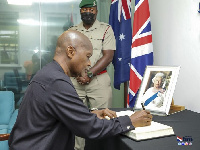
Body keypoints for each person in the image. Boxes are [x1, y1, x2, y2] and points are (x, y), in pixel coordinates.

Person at [8, 30, 152, 150]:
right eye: (88, 56)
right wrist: (130, 120)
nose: (89, 63)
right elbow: (90, 129)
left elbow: (58, 112)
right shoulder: (56, 81)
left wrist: (90, 114)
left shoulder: (50, 73)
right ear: (70, 51)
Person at [69, 1, 116, 148]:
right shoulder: (72, 31)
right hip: (76, 80)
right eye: (84, 9)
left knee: (104, 119)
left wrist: (89, 73)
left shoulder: (106, 29)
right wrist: (78, 73)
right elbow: (68, 55)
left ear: (96, 10)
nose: (87, 12)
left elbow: (108, 56)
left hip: (98, 81)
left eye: (90, 9)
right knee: (76, 119)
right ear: (80, 11)